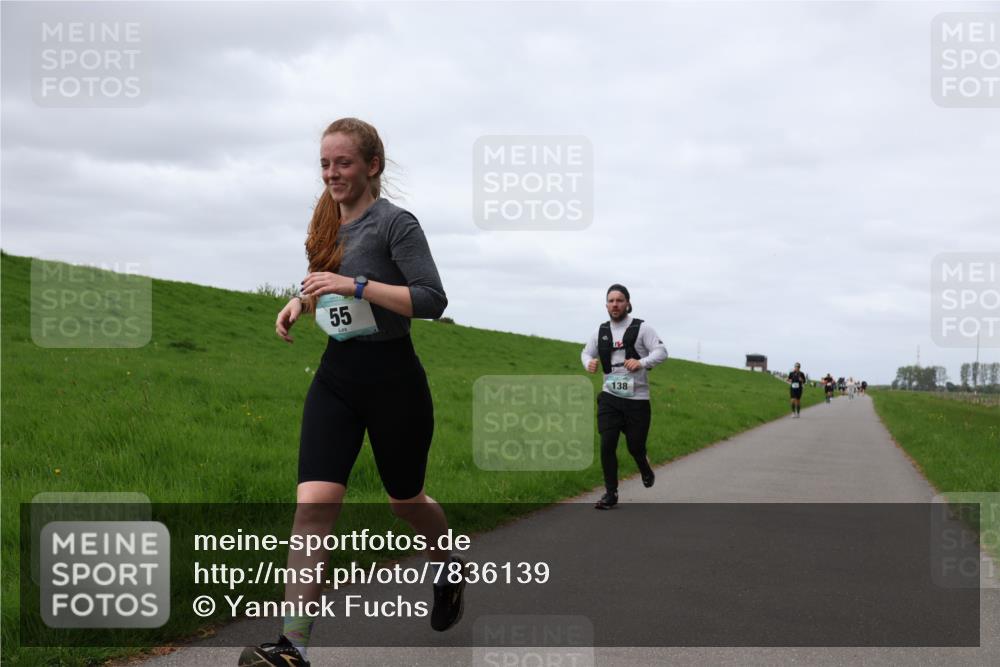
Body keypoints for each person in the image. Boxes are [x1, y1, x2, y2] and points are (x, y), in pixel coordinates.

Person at [241, 118, 461, 667]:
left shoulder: (396, 225)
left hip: (395, 380)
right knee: (314, 505)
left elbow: (432, 299)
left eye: (342, 163)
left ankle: (447, 563)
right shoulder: (325, 224)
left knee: (405, 501)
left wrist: (355, 284)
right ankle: (292, 647)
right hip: (338, 376)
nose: (332, 173)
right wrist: (300, 302)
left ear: (372, 166)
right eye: (324, 163)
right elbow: (321, 280)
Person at [582, 284, 668, 510]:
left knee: (635, 446)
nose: (615, 304)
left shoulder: (643, 328)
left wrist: (641, 362)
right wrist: (588, 363)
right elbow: (586, 352)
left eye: (619, 300)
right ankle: (611, 493)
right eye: (611, 301)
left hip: (637, 400)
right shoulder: (599, 332)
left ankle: (643, 464)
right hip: (610, 397)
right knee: (606, 444)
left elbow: (661, 352)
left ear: (628, 303)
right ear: (606, 305)